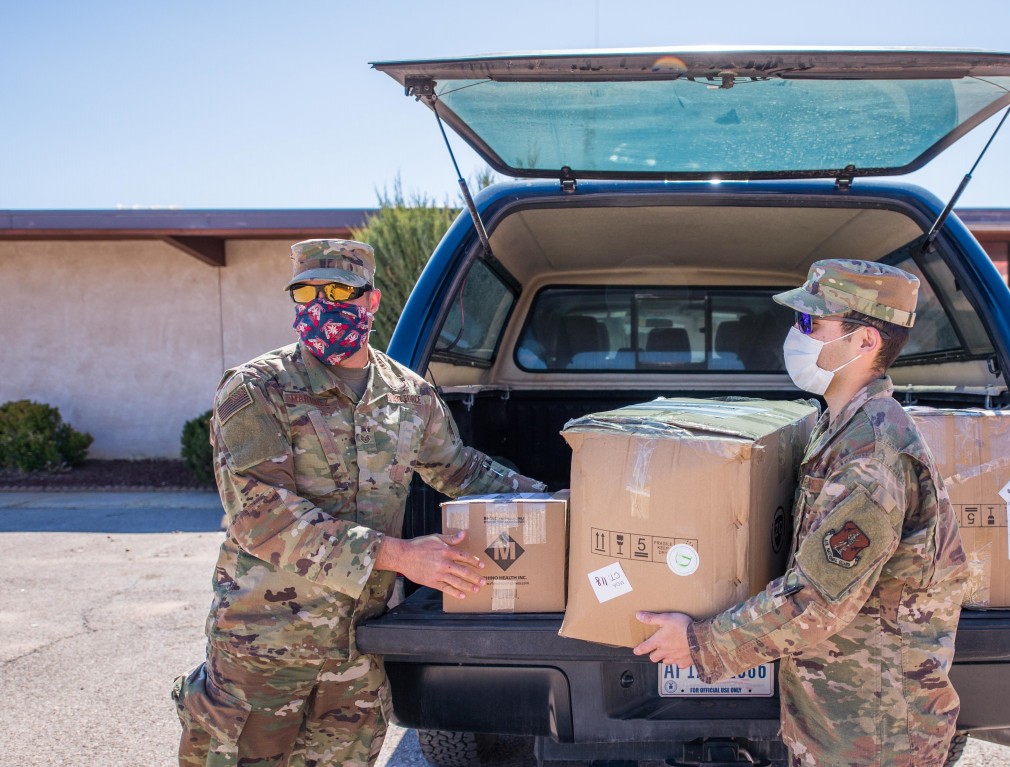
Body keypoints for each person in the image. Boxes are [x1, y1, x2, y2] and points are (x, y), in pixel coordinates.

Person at [172, 239, 544, 767]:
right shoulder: (256, 389)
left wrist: (548, 503)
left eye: (339, 290)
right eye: (306, 291)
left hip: (357, 654)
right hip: (264, 652)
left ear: (370, 302)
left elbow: (460, 469)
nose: (320, 304)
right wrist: (400, 556)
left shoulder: (407, 394)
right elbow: (261, 516)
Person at [635, 259, 969, 767]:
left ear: (865, 342)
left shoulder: (871, 456)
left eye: (812, 323)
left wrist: (702, 644)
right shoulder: (836, 425)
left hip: (874, 731)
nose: (797, 333)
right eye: (798, 320)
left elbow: (816, 601)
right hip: (842, 716)